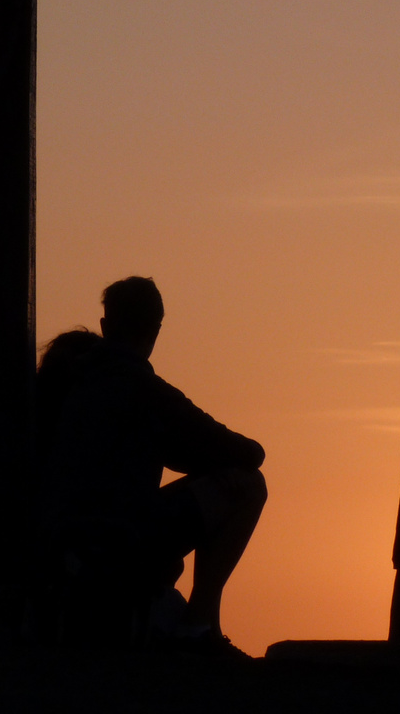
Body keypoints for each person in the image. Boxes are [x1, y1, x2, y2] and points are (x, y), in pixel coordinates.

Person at [39, 277, 266, 654]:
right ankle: (198, 627)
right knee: (248, 485)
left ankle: (201, 626)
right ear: (155, 330)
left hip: (58, 541)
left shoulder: (68, 382)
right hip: (118, 540)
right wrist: (206, 465)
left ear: (106, 327)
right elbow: (248, 453)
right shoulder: (146, 390)